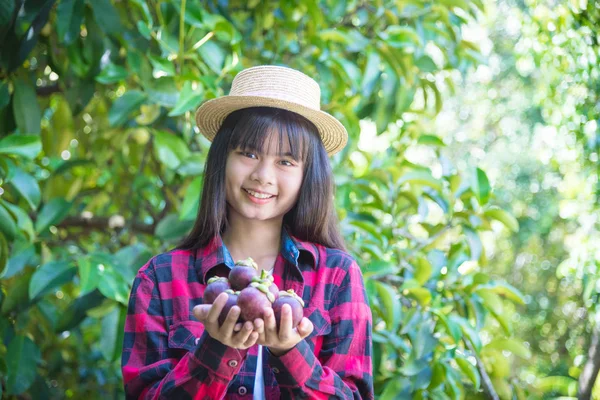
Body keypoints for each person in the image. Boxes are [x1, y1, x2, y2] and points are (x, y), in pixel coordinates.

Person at [121, 65, 374, 399]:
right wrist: (213, 352)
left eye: (285, 161)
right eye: (248, 153)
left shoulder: (338, 277)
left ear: (307, 175)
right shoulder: (160, 278)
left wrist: (291, 352)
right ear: (222, 158)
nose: (263, 175)